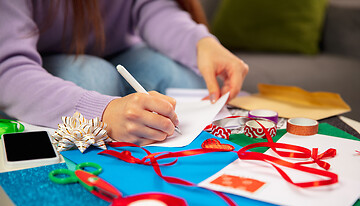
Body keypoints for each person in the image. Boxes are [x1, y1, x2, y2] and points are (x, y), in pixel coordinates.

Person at [0, 0, 248, 145]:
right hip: (39, 66)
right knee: (94, 77)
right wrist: (104, 113)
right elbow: (8, 69)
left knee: (177, 76)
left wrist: (200, 42)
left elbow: (151, 7)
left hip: (124, 51)